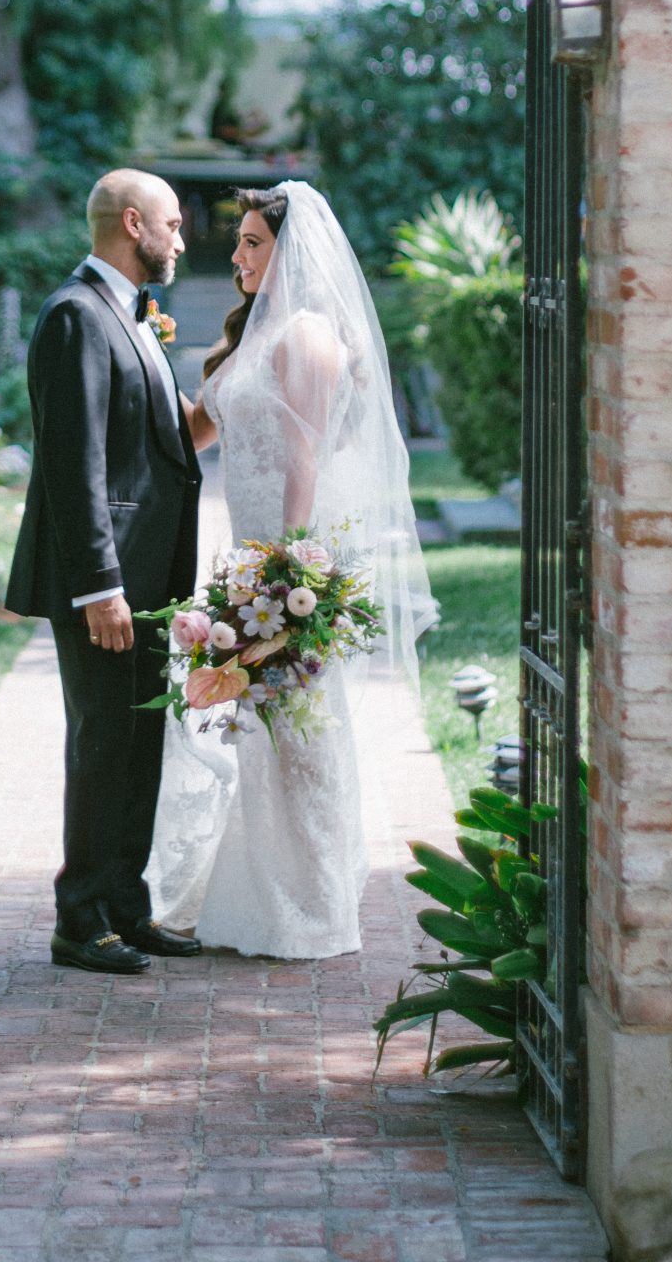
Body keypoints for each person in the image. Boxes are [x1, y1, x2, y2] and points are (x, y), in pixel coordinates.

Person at [147, 181, 437, 958]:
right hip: (250, 556)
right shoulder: (249, 338)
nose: (237, 256)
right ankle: (260, 890)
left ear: (291, 251)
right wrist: (143, 348)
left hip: (289, 563)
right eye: (239, 242)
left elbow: (304, 454)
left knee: (302, 727)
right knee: (259, 725)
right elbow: (199, 431)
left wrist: (288, 570)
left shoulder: (307, 334)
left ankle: (312, 903)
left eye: (253, 243)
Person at [5, 168, 205, 975]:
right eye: (173, 225)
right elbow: (73, 464)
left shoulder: (131, 317)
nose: (182, 241)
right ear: (134, 223)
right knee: (102, 742)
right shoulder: (75, 318)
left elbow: (156, 445)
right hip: (109, 584)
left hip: (150, 580)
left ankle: (127, 904)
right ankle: (79, 917)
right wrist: (100, 587)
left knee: (139, 738)